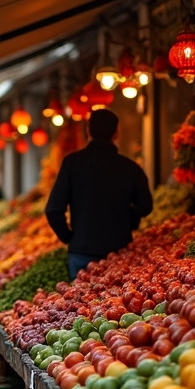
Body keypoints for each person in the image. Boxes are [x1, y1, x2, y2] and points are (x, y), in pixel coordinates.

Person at [46, 108, 154, 281]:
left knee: (79, 304)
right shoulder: (130, 168)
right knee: (117, 304)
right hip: (119, 251)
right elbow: (145, 205)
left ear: (88, 130)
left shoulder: (72, 163)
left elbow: (53, 209)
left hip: (81, 251)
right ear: (116, 133)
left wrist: (70, 237)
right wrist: (129, 220)